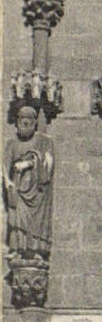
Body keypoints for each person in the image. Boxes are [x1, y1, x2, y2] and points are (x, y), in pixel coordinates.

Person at [3, 104, 54, 259]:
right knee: (17, 218)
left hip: (37, 189)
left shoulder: (43, 141)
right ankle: (18, 249)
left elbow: (48, 161)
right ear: (17, 123)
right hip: (19, 187)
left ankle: (36, 250)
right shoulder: (12, 144)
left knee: (37, 219)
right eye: (22, 121)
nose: (25, 125)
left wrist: (29, 164)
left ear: (34, 123)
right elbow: (5, 166)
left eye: (28, 122)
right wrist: (8, 182)